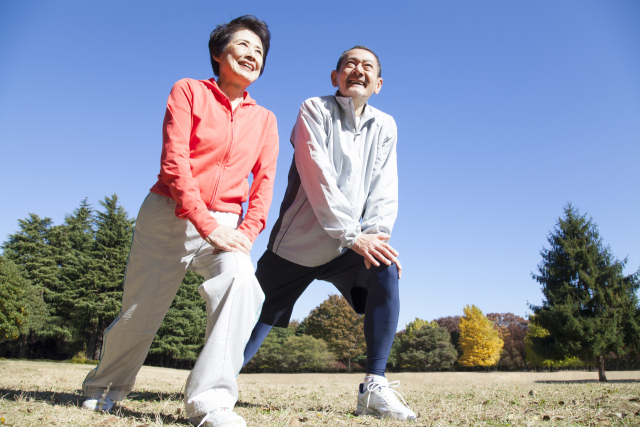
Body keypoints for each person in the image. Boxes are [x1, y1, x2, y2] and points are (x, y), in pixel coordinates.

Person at [81, 15, 279, 427]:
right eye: (243, 45)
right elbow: (175, 163)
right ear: (218, 53)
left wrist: (247, 232)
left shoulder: (265, 120)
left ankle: (211, 402)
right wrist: (205, 222)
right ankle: (106, 387)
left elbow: (263, 185)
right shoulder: (188, 90)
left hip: (227, 224)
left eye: (259, 51)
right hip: (171, 211)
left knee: (243, 284)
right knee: (141, 310)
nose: (252, 54)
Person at [243, 46, 416, 422]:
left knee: (385, 267)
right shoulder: (314, 109)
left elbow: (384, 186)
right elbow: (316, 175)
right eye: (350, 64)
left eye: (367, 66)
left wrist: (376, 236)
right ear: (335, 76)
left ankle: (374, 387)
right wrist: (353, 235)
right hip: (297, 245)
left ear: (378, 84)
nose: (358, 70)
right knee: (251, 322)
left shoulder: (386, 125)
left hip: (348, 246)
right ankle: (215, 380)